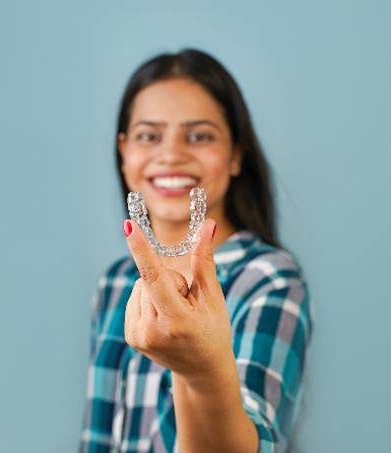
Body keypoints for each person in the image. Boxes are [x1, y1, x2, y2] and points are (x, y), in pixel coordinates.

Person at [79, 48, 315, 453]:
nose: (171, 154)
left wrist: (199, 371)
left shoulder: (269, 280)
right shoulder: (116, 282)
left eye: (200, 135)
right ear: (124, 153)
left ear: (236, 154)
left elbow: (252, 444)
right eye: (148, 135)